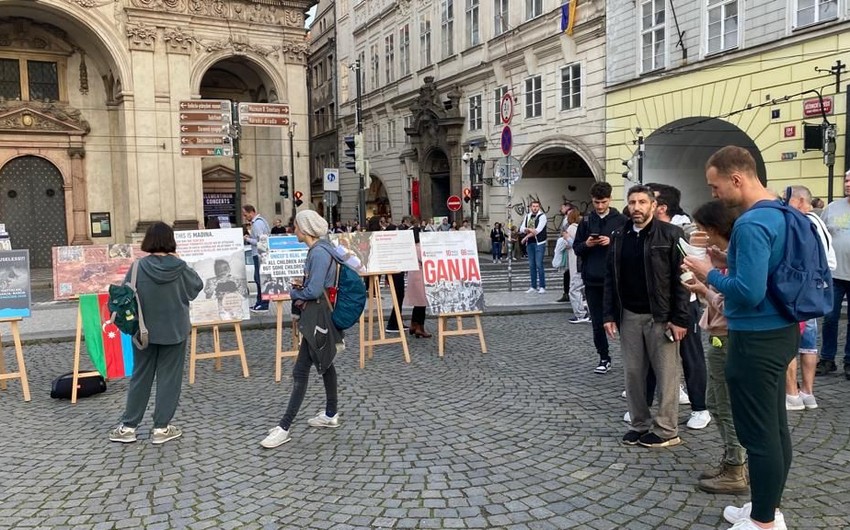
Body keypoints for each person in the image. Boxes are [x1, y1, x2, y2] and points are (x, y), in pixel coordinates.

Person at [684, 146, 798, 530]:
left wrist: (707, 272)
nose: (714, 194)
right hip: (781, 330)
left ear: (737, 179)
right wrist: (728, 263)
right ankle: (767, 506)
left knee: (759, 434)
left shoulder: (750, 223)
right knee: (776, 427)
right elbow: (765, 274)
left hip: (755, 336)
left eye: (715, 186)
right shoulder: (782, 212)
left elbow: (748, 292)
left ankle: (764, 521)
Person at [603, 185, 690, 449]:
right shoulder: (619, 236)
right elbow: (611, 278)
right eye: (632, 202)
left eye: (642, 202)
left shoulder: (672, 234)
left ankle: (666, 429)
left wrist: (680, 318)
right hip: (629, 315)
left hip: (661, 317)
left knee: (667, 374)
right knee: (633, 373)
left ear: (654, 206)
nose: (636, 207)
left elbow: (684, 280)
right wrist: (608, 314)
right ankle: (639, 424)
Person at [108, 222, 203, 445]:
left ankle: (129, 426)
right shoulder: (180, 267)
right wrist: (181, 261)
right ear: (171, 240)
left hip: (143, 332)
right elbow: (196, 288)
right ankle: (161, 428)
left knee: (141, 377)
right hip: (175, 330)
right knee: (170, 379)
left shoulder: (138, 267)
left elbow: (126, 296)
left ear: (148, 240)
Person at [261, 210, 343, 449]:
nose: (293, 230)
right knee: (326, 363)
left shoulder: (318, 253)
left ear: (305, 230)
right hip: (320, 315)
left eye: (295, 227)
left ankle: (284, 427)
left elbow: (314, 290)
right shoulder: (323, 249)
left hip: (317, 316)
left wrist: (295, 292)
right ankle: (330, 414)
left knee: (300, 372)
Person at [682, 200, 748, 494]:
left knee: (725, 406)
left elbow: (731, 299)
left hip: (727, 336)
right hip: (720, 333)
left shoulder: (733, 258)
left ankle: (736, 468)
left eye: (701, 229)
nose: (699, 234)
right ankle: (732, 461)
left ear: (714, 228)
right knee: (714, 403)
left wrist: (706, 282)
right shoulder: (724, 255)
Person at [650, 183, 711, 430]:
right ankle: (656, 403)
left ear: (661, 207)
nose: (641, 205)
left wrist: (683, 307)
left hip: (685, 303)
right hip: (656, 305)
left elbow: (691, 269)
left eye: (648, 200)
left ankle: (700, 408)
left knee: (691, 356)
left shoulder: (684, 231)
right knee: (655, 357)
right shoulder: (644, 230)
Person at [785, 185, 835, 410]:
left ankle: (793, 395)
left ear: (797, 201)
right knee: (809, 343)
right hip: (815, 287)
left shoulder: (801, 222)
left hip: (800, 290)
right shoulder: (818, 222)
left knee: (790, 341)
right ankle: (808, 392)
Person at [574, 182, 627, 374]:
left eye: (603, 202)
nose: (600, 206)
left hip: (616, 280)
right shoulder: (586, 221)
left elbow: (629, 247)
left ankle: (630, 360)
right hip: (593, 280)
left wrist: (612, 242)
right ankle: (603, 357)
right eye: (596, 202)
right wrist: (587, 244)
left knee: (622, 322)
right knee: (597, 322)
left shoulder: (621, 219)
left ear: (610, 199)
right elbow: (576, 248)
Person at [818, 169, 850, 380]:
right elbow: (822, 237)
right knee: (829, 317)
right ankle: (827, 359)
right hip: (835, 275)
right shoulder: (832, 208)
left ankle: (849, 361)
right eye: (846, 179)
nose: (847, 183)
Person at [404, 216, 432, 338]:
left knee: (417, 303)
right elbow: (426, 259)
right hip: (420, 275)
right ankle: (420, 327)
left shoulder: (410, 247)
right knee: (422, 303)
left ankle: (413, 325)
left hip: (412, 275)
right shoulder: (419, 247)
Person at [242, 204, 271, 312]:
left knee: (260, 279)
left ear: (251, 212)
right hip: (261, 254)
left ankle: (263, 304)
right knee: (258, 279)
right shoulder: (261, 221)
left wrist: (248, 239)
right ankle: (259, 303)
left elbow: (261, 242)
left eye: (245, 215)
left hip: (259, 254)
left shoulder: (257, 224)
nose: (245, 217)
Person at [563, 208, 588, 323]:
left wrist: (567, 238)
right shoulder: (584, 228)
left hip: (578, 261)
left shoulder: (572, 228)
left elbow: (575, 245)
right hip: (585, 262)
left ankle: (581, 314)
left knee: (574, 289)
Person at [519, 200, 548, 294]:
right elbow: (522, 228)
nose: (535, 208)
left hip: (539, 242)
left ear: (539, 207)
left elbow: (537, 231)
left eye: (537, 206)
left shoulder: (542, 216)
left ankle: (542, 286)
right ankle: (533, 286)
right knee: (532, 265)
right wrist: (528, 230)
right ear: (531, 207)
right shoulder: (527, 216)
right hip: (530, 243)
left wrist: (527, 233)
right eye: (533, 206)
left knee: (539, 264)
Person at [555, 203, 573, 302]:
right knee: (568, 272)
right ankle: (567, 292)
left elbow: (565, 232)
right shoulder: (566, 218)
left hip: (569, 247)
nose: (561, 209)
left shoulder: (568, 219)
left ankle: (567, 293)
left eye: (562, 207)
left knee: (568, 272)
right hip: (567, 246)